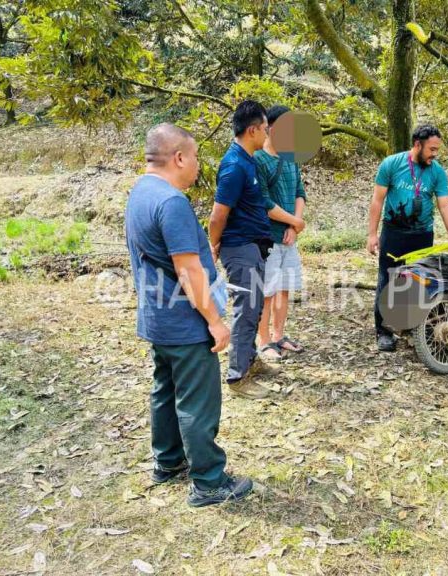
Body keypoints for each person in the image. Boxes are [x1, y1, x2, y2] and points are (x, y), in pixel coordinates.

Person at [125, 123, 252, 507]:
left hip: (157, 318)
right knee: (197, 401)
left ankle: (168, 462)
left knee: (165, 391)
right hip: (185, 322)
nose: (198, 165)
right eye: (195, 157)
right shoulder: (172, 202)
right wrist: (214, 319)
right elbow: (188, 270)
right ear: (179, 157)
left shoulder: (139, 192)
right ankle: (209, 482)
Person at [367, 124, 448, 352]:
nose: (434, 154)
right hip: (394, 233)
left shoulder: (437, 172)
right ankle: (383, 331)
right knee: (388, 280)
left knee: (419, 283)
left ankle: (414, 329)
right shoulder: (391, 164)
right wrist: (372, 235)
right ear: (417, 144)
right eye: (431, 149)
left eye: (437, 150)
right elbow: (377, 200)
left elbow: (444, 204)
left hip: (422, 235)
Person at [209, 100, 279, 398]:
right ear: (252, 130)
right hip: (239, 248)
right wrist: (213, 246)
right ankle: (238, 377)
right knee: (246, 310)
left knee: (255, 306)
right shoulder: (234, 165)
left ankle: (250, 361)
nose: (267, 134)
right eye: (265, 129)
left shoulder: (249, 159)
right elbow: (218, 214)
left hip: (254, 246)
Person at [254, 105, 307, 361]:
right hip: (268, 238)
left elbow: (300, 193)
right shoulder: (258, 160)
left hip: (289, 236)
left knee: (284, 289)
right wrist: (294, 222)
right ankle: (263, 340)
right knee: (267, 291)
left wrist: (294, 226)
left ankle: (278, 335)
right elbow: (263, 203)